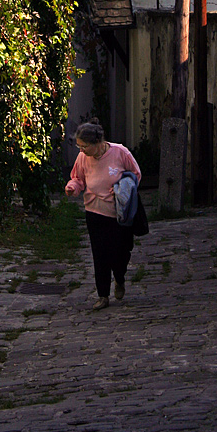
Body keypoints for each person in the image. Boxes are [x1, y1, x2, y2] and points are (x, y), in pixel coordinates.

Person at [65, 118, 141, 310]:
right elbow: (78, 178)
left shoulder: (120, 153)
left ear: (97, 143)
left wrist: (124, 189)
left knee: (120, 253)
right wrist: (72, 187)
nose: (81, 151)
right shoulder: (83, 158)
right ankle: (103, 296)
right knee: (100, 255)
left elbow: (136, 175)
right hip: (94, 211)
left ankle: (120, 277)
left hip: (118, 214)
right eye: (79, 146)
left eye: (84, 146)